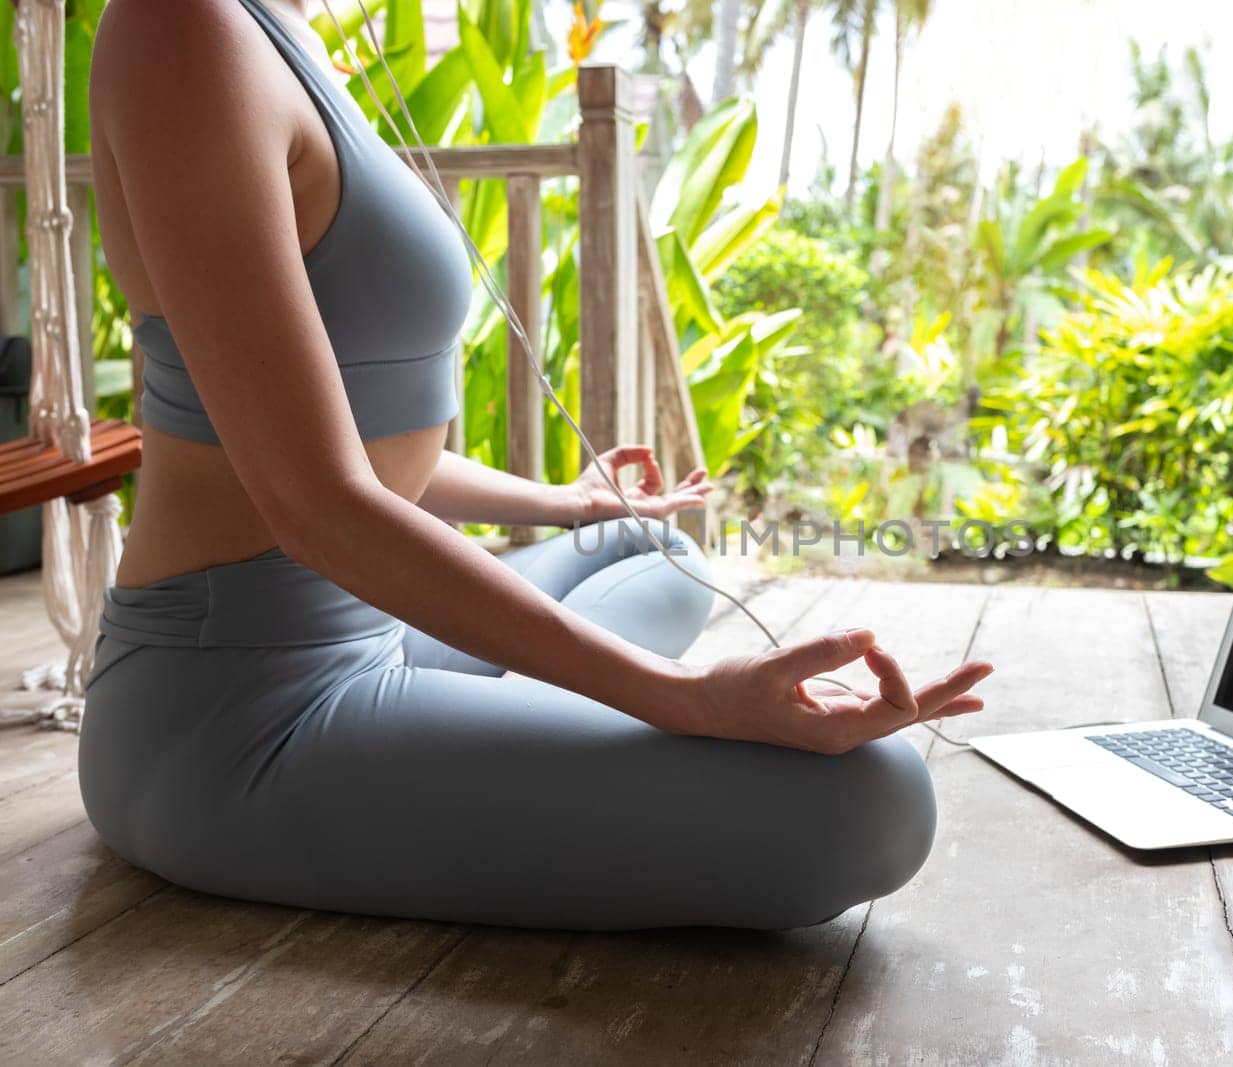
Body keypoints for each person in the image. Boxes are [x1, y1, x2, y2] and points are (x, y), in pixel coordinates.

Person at [77, 0, 992, 931]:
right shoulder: (184, 28)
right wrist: (681, 699)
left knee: (648, 548)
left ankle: (495, 726)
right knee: (876, 801)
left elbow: (347, 441)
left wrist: (569, 505)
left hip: (377, 624)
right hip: (238, 712)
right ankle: (500, 731)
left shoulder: (284, 30)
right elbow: (315, 501)